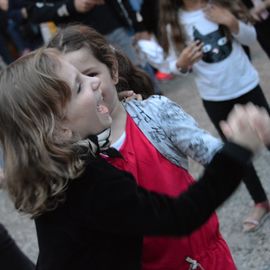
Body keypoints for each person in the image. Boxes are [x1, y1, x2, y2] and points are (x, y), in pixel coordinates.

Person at [0, 47, 263, 270]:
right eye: (79, 85)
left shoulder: (55, 172)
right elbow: (181, 216)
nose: (94, 82)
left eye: (87, 73)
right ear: (59, 129)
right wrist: (237, 151)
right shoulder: (88, 182)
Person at [48, 24, 243, 269]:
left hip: (206, 258)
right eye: (75, 87)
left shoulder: (154, 113)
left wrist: (236, 146)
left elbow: (209, 152)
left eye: (91, 74)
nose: (91, 87)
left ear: (113, 69)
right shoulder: (75, 155)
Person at [137, 0, 270, 233]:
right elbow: (171, 65)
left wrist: (230, 21)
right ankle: (260, 201)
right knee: (236, 149)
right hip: (215, 97)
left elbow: (250, 37)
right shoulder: (174, 22)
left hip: (246, 84)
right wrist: (182, 63)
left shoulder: (221, 5)